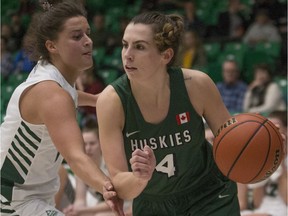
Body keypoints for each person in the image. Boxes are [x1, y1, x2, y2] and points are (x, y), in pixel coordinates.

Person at [96, 11, 241, 216]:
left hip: (209, 193)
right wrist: (140, 178)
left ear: (166, 55)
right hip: (153, 204)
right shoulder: (111, 101)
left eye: (139, 46)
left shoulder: (197, 85)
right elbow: (120, 182)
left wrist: (264, 147)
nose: (127, 54)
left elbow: (235, 145)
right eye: (124, 44)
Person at [0, 1, 123, 215]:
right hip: (10, 200)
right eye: (77, 36)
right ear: (51, 46)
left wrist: (95, 99)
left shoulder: (52, 74)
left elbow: (69, 95)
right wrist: (107, 187)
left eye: (87, 33)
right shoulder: (51, 93)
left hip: (29, 195)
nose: (88, 42)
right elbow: (76, 157)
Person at [63, 120, 115, 216]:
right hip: (93, 209)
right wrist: (73, 210)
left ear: (100, 144)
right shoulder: (81, 167)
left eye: (92, 143)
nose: (88, 148)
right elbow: (80, 200)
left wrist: (83, 211)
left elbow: (115, 203)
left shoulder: (111, 165)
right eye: (85, 144)